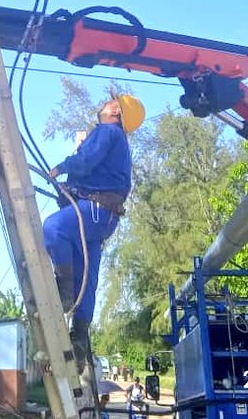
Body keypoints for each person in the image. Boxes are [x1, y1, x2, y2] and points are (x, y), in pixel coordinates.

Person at [43, 93, 145, 371]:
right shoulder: (117, 141)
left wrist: (62, 167)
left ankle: (64, 292)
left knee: (53, 229)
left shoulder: (108, 132)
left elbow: (85, 161)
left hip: (95, 210)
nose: (106, 103)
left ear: (117, 112)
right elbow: (91, 170)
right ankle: (79, 341)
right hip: (102, 217)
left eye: (112, 102)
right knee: (87, 277)